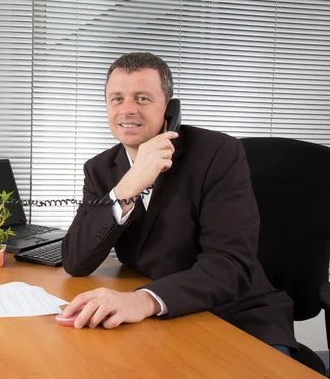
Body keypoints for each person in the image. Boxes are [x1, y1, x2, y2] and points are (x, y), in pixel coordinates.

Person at [60, 52, 297, 355]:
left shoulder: (218, 154)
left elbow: (230, 265)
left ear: (169, 107)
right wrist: (128, 187)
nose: (127, 109)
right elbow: (75, 261)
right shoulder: (101, 169)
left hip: (237, 315)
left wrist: (143, 299)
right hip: (162, 320)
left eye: (142, 98)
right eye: (116, 99)